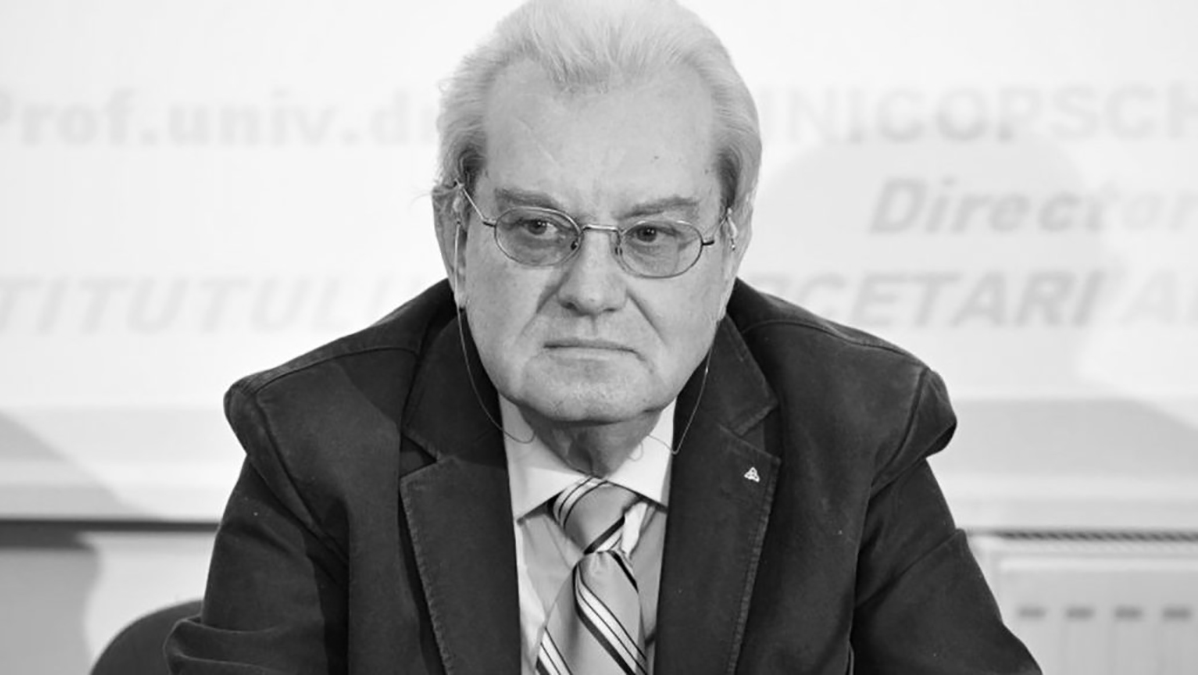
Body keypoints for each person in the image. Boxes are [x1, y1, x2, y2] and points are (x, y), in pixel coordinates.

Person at [167, 0, 1040, 673]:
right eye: (537, 229)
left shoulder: (852, 430)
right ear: (456, 240)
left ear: (730, 247)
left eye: (651, 235)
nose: (590, 292)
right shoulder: (321, 443)